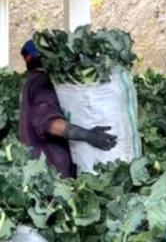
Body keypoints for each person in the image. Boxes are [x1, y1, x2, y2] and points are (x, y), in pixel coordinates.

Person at [19, 39, 117, 178]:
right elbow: (49, 123)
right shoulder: (41, 82)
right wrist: (87, 135)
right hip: (52, 176)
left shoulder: (30, 82)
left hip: (41, 171)